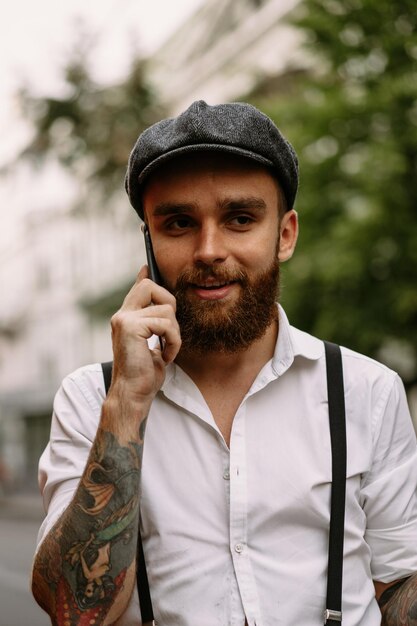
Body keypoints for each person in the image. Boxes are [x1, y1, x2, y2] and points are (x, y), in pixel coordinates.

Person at [32, 100, 417, 626]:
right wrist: (126, 404)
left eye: (239, 218)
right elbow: (72, 611)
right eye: (179, 223)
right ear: (149, 240)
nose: (209, 250)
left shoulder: (367, 390)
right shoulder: (91, 398)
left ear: (284, 235)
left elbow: (396, 588)